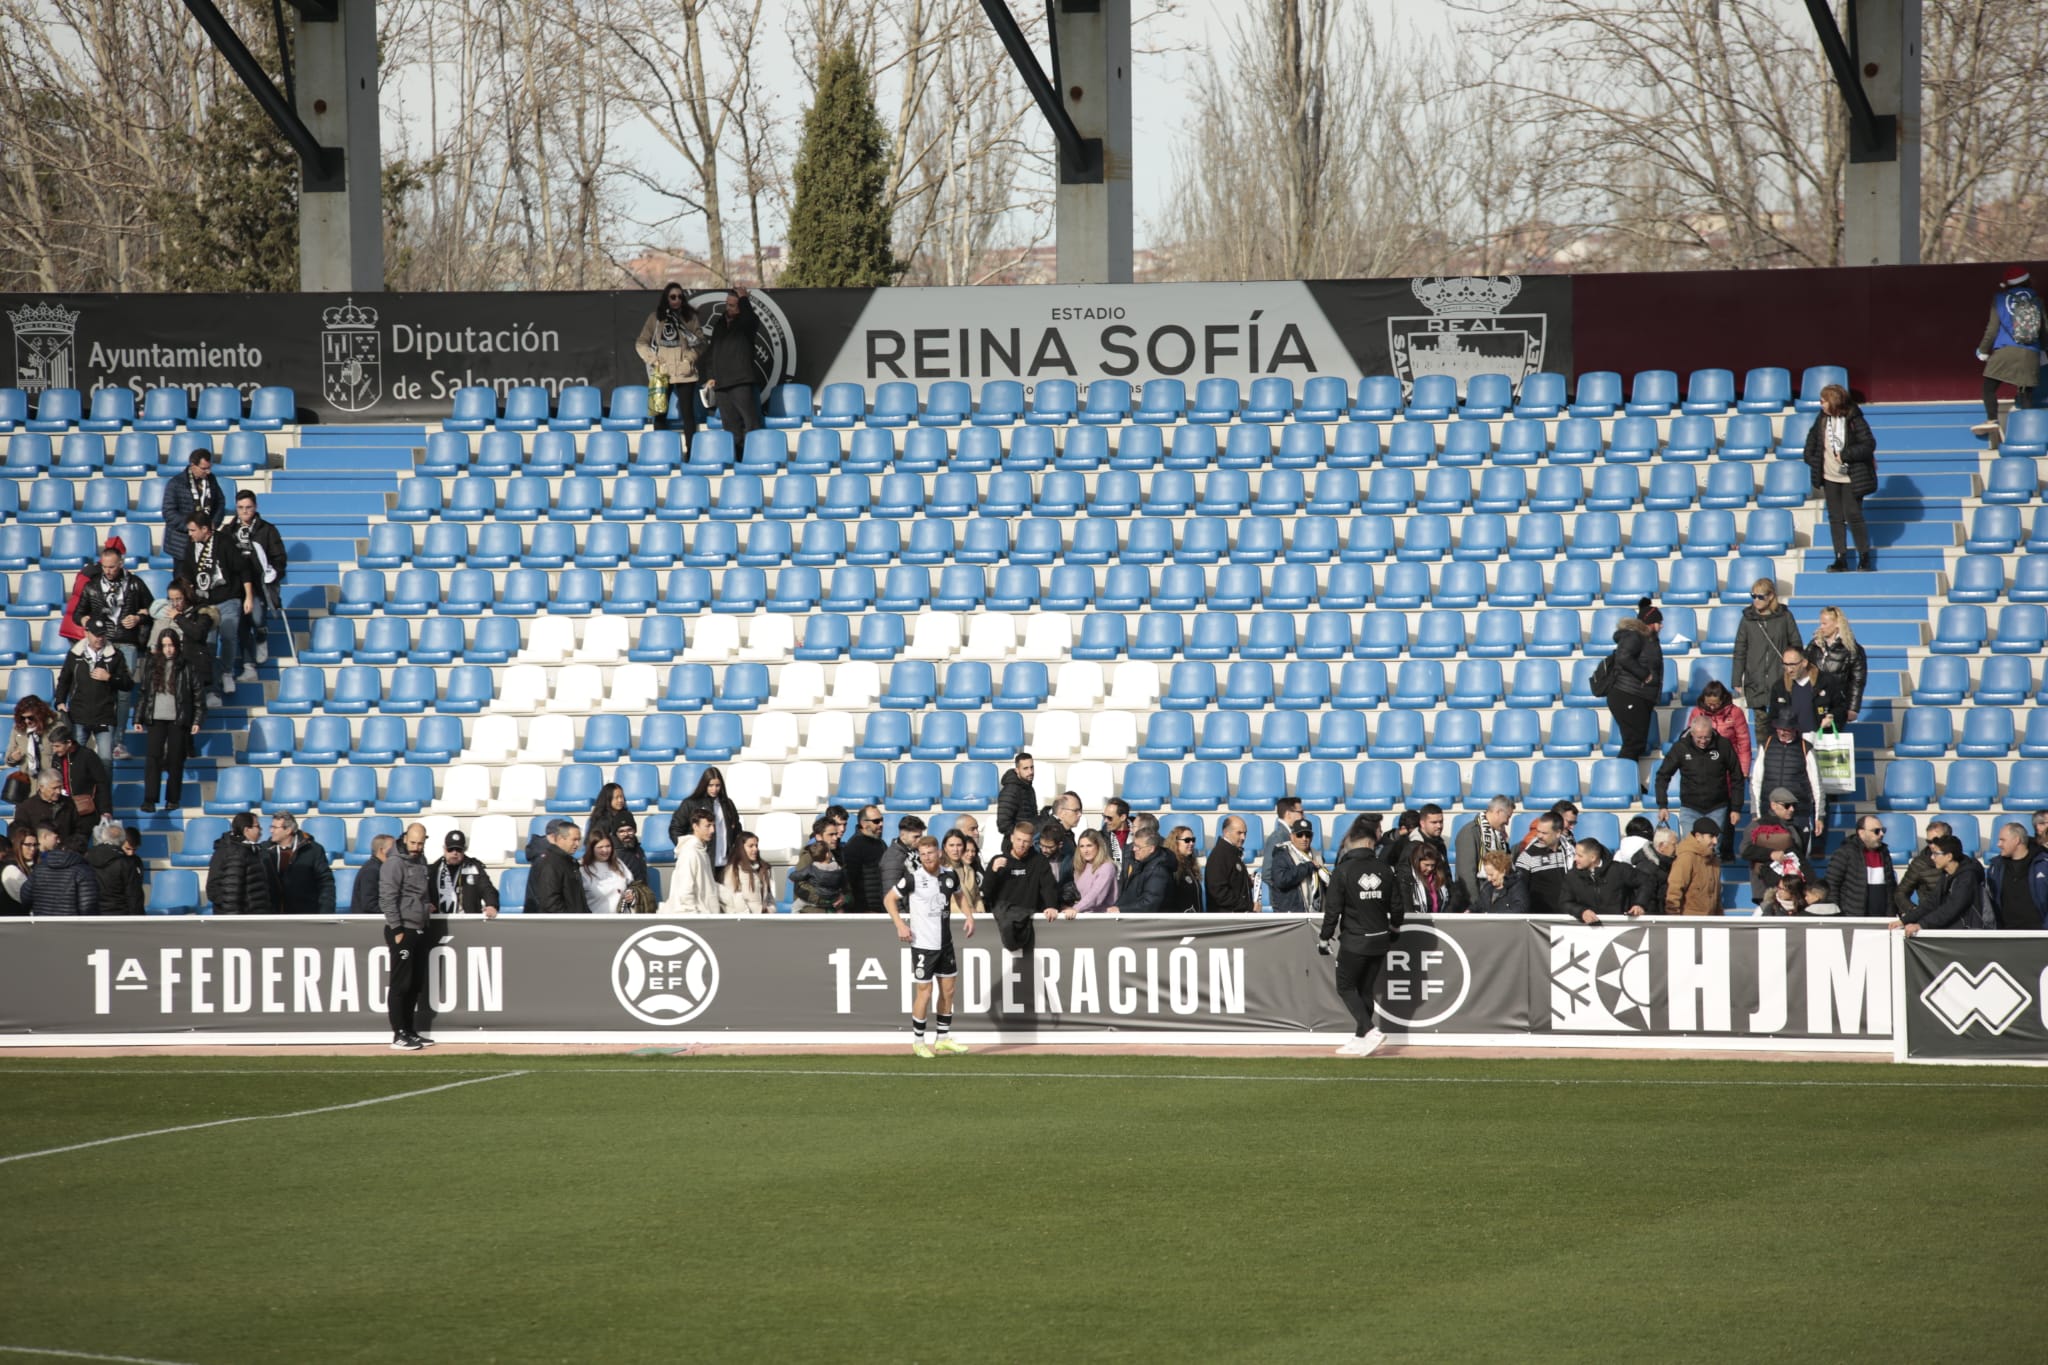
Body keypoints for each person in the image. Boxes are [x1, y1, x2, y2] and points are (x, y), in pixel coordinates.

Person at [1318, 815, 1401, 1057]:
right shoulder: (1385, 869)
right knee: (1365, 989)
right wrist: (1395, 929)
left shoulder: (1343, 871)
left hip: (1355, 940)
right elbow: (1397, 906)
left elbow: (1332, 910)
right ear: (1369, 843)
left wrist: (1324, 938)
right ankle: (1360, 1038)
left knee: (1345, 986)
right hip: (1380, 939)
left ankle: (1369, 1029)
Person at [883, 835, 973, 1057]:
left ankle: (942, 1038)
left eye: (930, 853)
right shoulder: (913, 878)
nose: (926, 858)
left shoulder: (950, 876)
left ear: (939, 853)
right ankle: (918, 1041)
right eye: (922, 854)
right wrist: (900, 925)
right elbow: (889, 899)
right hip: (923, 945)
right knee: (925, 992)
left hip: (946, 943)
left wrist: (969, 917)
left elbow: (960, 897)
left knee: (949, 991)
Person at [73, 538, 153, 745]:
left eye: (112, 567)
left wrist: (138, 618)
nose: (108, 571)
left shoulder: (134, 583)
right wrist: (86, 620)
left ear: (121, 564)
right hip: (102, 642)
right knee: (101, 690)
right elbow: (78, 613)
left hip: (127, 642)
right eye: (105, 567)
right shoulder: (92, 586)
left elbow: (152, 609)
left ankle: (119, 740)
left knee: (124, 694)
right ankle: (103, 739)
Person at [177, 514, 255, 701]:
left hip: (228, 599)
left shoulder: (225, 542)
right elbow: (186, 576)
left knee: (228, 636)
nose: (190, 534)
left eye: (193, 530)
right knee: (208, 645)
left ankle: (227, 672)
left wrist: (249, 597)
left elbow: (243, 569)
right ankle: (212, 689)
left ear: (205, 529)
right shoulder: (191, 547)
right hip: (204, 604)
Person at [1802, 384, 1879, 571]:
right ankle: (1840, 558)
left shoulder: (1854, 418)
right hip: (1830, 476)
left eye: (1823, 401)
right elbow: (1811, 443)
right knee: (1835, 517)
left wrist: (1846, 455)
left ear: (1833, 402)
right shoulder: (1821, 419)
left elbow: (1869, 444)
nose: (1820, 404)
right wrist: (1814, 461)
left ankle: (1864, 557)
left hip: (1852, 477)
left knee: (1854, 515)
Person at [133, 630, 205, 812]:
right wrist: (138, 717)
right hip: (155, 718)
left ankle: (173, 799)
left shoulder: (187, 666)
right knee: (153, 759)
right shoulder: (151, 665)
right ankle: (150, 799)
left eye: (171, 645)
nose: (168, 649)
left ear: (177, 646)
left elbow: (198, 695)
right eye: (164, 645)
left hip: (178, 719)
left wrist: (197, 719)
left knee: (175, 760)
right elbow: (144, 693)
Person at [379, 823, 437, 1050]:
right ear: (405, 839)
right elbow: (388, 898)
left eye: (421, 843)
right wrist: (397, 929)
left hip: (419, 925)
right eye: (413, 842)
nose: (416, 847)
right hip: (404, 928)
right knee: (400, 984)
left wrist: (425, 908)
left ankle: (410, 1029)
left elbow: (418, 893)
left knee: (414, 983)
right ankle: (398, 1033)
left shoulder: (420, 861)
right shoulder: (394, 863)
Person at [1973, 266, 2043, 440]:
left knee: (1989, 387)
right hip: (2031, 353)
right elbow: (2044, 329)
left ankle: (1992, 420)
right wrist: (2043, 350)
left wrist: (1982, 350)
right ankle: (2029, 433)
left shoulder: (1999, 299)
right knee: (2026, 392)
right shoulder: (2037, 300)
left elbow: (1992, 329)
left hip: (2006, 351)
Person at [54, 619, 132, 770]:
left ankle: (104, 794)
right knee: (75, 762)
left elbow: (127, 683)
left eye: (102, 635)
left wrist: (110, 677)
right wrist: (60, 701)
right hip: (79, 717)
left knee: (105, 762)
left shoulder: (116, 655)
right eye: (96, 635)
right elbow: (64, 680)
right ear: (86, 633)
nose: (100, 638)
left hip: (105, 716)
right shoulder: (74, 655)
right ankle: (76, 794)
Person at [1655, 714, 1743, 846]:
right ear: (1692, 733)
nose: (1703, 741)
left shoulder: (1723, 745)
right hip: (1690, 807)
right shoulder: (1680, 747)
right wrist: (1662, 805)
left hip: (1717, 807)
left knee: (1712, 850)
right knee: (1690, 849)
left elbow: (1737, 776)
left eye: (1706, 737)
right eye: (1699, 738)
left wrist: (1736, 808)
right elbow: (1662, 776)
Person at [635, 281, 707, 439]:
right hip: (663, 373)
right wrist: (654, 360)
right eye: (673, 297)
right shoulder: (655, 318)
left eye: (680, 297)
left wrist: (689, 360)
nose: (677, 300)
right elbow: (641, 343)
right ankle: (661, 453)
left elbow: (701, 344)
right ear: (666, 298)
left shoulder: (690, 318)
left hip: (685, 373)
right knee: (659, 414)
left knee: (688, 416)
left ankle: (691, 454)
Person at [1730, 577, 1802, 732]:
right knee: (1761, 723)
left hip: (1781, 676)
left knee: (1784, 720)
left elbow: (1796, 644)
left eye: (1760, 596)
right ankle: (1764, 753)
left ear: (1770, 596)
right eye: (1753, 596)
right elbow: (1740, 650)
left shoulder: (1785, 616)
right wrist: (1736, 679)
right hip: (1755, 677)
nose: (1756, 600)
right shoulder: (1747, 619)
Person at [228, 491, 287, 676]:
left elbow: (279, 558)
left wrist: (273, 572)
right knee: (242, 624)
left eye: (248, 507)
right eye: (240, 508)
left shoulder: (268, 530)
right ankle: (248, 665)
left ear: (255, 507)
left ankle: (261, 634)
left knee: (257, 618)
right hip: (236, 585)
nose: (244, 511)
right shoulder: (227, 530)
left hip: (259, 584)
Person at [701, 285, 764, 459]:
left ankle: (757, 458)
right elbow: (713, 351)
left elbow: (751, 319)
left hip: (741, 381)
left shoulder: (746, 323)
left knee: (751, 423)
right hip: (721, 384)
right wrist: (711, 376)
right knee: (730, 427)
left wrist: (744, 300)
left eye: (733, 305)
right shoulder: (720, 323)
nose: (729, 308)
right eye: (727, 304)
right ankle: (738, 460)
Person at [1604, 597, 1665, 777]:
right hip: (1628, 694)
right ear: (1650, 623)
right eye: (1658, 622)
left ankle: (1630, 782)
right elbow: (1623, 656)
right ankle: (1621, 781)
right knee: (1633, 743)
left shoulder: (1648, 638)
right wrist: (1644, 674)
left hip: (1638, 695)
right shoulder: (1634, 636)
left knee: (1636, 743)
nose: (1661, 626)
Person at [984, 819, 1060, 953]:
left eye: (1026, 841)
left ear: (1031, 843)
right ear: (1012, 838)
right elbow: (986, 891)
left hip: (1029, 918)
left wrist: (1051, 905)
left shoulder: (1039, 861)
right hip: (1003, 920)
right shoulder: (998, 860)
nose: (1021, 845)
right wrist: (993, 872)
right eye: (1018, 840)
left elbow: (1048, 886)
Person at [1891, 835, 1984, 934]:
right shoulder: (1946, 874)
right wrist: (1904, 920)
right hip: (1954, 930)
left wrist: (1921, 925)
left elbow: (1952, 908)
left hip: (1968, 933)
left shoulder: (1967, 877)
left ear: (1949, 856)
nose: (1932, 857)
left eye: (1935, 854)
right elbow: (1931, 902)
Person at [147, 578, 218, 707]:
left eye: (178, 599)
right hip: (172, 669)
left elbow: (198, 634)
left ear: (187, 596)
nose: (175, 604)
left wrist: (178, 617)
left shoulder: (202, 612)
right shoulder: (166, 614)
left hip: (193, 666)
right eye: (171, 599)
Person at [1751, 721, 1823, 847]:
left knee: (1799, 856)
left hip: (1798, 813)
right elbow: (1756, 781)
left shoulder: (1806, 747)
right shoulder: (1766, 745)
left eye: (1787, 729)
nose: (1782, 732)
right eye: (1780, 729)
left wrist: (1819, 816)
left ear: (1795, 730)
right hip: (1769, 813)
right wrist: (1755, 812)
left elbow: (1816, 785)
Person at [159, 447, 225, 567]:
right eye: (204, 468)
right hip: (182, 545)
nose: (208, 472)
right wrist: (192, 529)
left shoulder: (211, 480)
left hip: (206, 541)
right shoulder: (176, 483)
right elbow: (169, 512)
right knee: (183, 582)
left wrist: (214, 524)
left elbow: (220, 502)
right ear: (193, 465)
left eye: (209, 468)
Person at [45, 726, 110, 847]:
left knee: (79, 847)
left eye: (57, 746)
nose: (54, 750)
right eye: (53, 746)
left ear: (69, 743)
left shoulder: (87, 756)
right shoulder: (56, 758)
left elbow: (102, 783)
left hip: (85, 812)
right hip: (64, 810)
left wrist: (105, 810)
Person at [1806, 606, 1868, 732]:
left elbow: (1857, 681)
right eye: (1820, 623)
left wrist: (1853, 708)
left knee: (1830, 743)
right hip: (1814, 702)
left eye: (1824, 623)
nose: (1821, 627)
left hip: (1836, 705)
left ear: (1836, 624)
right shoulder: (1814, 646)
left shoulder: (1852, 650)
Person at [261, 811, 335, 915]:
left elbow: (326, 883)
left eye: (274, 827)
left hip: (305, 914)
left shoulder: (313, 850)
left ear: (288, 830)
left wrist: (326, 912)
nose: (271, 830)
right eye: (271, 827)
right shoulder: (264, 850)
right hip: (273, 915)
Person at [1560, 838, 1647, 925]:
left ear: (1593, 857)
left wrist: (1639, 904)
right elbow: (1565, 903)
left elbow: (1647, 882)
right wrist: (1581, 912)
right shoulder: (1571, 876)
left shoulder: (1619, 870)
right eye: (1575, 854)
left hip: (1621, 929)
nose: (1575, 858)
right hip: (1588, 931)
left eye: (1580, 856)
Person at [1824, 816, 1896, 919]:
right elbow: (1831, 885)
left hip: (1881, 920)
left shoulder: (1884, 853)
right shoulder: (1845, 853)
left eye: (1883, 830)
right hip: (1853, 919)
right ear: (1861, 833)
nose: (1881, 834)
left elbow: (1891, 887)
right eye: (1876, 831)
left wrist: (1891, 914)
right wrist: (1837, 915)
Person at [675, 767, 742, 875]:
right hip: (703, 862)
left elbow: (737, 829)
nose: (714, 789)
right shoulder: (690, 803)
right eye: (710, 785)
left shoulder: (728, 804)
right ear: (704, 785)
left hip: (725, 864)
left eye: (717, 785)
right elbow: (676, 829)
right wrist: (688, 849)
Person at [1982, 821, 2048, 930]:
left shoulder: (2043, 865)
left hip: (2039, 935)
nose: (1998, 844)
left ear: (2017, 840)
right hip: (2006, 936)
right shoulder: (1995, 868)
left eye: (2002, 840)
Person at [20, 824, 98, 915]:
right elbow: (88, 905)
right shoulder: (83, 871)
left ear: (63, 848)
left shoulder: (39, 869)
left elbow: (25, 897)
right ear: (86, 854)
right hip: (71, 926)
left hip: (42, 925)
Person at [1454, 795, 1516, 907]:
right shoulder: (1470, 833)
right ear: (1498, 812)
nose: (1507, 822)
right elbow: (1466, 874)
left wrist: (1505, 842)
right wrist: (1477, 904)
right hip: (1477, 902)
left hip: (1495, 899)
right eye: (1507, 817)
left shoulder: (1498, 835)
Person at [1686, 679, 1752, 785]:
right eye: (1708, 704)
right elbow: (1690, 739)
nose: (1711, 707)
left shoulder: (1735, 713)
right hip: (1703, 765)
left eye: (1715, 704)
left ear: (1723, 699)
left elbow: (1744, 743)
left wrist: (1744, 770)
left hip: (1728, 764)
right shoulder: (1697, 712)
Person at [205, 812, 270, 914]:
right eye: (257, 826)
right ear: (246, 830)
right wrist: (234, 919)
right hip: (239, 920)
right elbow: (216, 889)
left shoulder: (254, 850)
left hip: (254, 917)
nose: (261, 830)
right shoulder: (231, 852)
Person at [523, 819, 589, 914]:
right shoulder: (549, 863)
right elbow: (550, 901)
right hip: (561, 925)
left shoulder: (567, 861)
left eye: (579, 840)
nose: (577, 844)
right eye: (574, 840)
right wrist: (569, 921)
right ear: (560, 838)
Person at [663, 804, 719, 913]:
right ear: (695, 826)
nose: (712, 830)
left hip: (705, 916)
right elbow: (685, 889)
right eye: (708, 826)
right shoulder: (690, 853)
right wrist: (692, 915)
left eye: (713, 825)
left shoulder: (701, 851)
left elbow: (708, 885)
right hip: (693, 918)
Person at [1514, 814, 1572, 916]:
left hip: (1568, 917)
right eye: (1538, 831)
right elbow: (1519, 890)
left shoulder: (1571, 851)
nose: (1539, 836)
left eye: (1544, 833)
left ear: (1558, 833)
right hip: (1540, 920)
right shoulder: (1527, 856)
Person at [1892, 820, 1951, 921]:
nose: (1932, 845)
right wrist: (1915, 911)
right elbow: (1900, 893)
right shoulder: (1919, 863)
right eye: (1929, 842)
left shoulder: (1960, 861)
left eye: (1936, 840)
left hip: (1955, 920)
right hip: (1930, 921)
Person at [434, 829, 500, 918]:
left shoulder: (474, 868)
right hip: (440, 921)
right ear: (444, 849)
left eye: (458, 849)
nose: (454, 853)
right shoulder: (434, 869)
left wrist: (491, 905)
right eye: (450, 849)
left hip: (468, 922)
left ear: (464, 850)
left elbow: (487, 889)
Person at [1268, 819, 1328, 917]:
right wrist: (1308, 866)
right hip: (1291, 915)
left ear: (1312, 837)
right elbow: (1281, 880)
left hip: (1314, 913)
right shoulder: (1282, 855)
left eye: (1307, 835)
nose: (1304, 839)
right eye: (1299, 835)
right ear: (1292, 836)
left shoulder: (1317, 856)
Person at [85, 819, 144, 915]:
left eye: (134, 849)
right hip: (120, 913)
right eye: (127, 849)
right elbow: (134, 895)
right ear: (120, 842)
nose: (131, 853)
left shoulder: (87, 857)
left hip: (93, 912)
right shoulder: (126, 863)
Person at [789, 815, 846, 912]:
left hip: (834, 910)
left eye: (836, 834)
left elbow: (845, 884)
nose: (835, 838)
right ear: (819, 837)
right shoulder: (808, 856)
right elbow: (801, 887)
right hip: (813, 911)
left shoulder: (839, 855)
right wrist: (828, 901)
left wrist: (843, 898)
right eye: (831, 834)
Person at [1665, 819, 1722, 916]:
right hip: (1689, 922)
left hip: (1711, 922)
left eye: (1716, 837)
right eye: (1711, 836)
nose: (1715, 841)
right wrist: (1673, 918)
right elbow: (1674, 889)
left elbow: (1717, 896)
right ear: (1698, 836)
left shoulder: (1714, 860)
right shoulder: (1686, 857)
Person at [840, 805, 888, 914]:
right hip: (865, 911)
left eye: (881, 820)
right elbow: (850, 881)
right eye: (876, 821)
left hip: (881, 908)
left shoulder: (881, 843)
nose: (881, 824)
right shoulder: (854, 845)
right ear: (864, 823)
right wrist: (862, 909)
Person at [15, 772, 78, 853]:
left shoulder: (68, 803)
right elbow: (20, 834)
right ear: (42, 787)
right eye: (54, 788)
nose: (58, 791)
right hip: (38, 855)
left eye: (60, 787)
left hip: (66, 853)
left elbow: (78, 829)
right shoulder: (26, 807)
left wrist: (70, 847)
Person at [1204, 815, 1254, 914]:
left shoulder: (1232, 853)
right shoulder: (1219, 855)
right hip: (1227, 920)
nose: (1243, 837)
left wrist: (1248, 881)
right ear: (1226, 833)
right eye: (1239, 833)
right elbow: (1219, 892)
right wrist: (1247, 906)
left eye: (1245, 833)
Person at [1769, 647, 1822, 738]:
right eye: (1785, 665)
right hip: (1793, 745)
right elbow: (1773, 718)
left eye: (1792, 665)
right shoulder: (1779, 687)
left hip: (1820, 742)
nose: (1789, 670)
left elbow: (1839, 709)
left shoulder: (1824, 682)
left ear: (1804, 663)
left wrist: (1831, 718)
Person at [6, 695, 57, 790]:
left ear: (40, 715)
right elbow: (8, 759)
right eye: (23, 718)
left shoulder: (55, 727)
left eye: (30, 718)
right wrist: (13, 758)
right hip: (28, 784)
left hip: (50, 783)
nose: (27, 721)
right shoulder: (18, 729)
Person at [1402, 846, 1466, 916]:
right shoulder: (1407, 880)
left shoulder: (1441, 877)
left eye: (1432, 865)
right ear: (1417, 862)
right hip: (1417, 923)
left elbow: (1453, 899)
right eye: (1426, 865)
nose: (1430, 868)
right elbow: (1406, 906)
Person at [719, 830, 773, 914]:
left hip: (764, 919)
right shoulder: (733, 870)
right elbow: (733, 897)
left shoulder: (763, 868)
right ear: (741, 848)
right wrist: (747, 914)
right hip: (745, 920)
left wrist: (770, 910)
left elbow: (769, 896)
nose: (755, 849)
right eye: (751, 846)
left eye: (756, 845)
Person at [1389, 804, 1449, 877]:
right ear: (1422, 823)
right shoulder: (1411, 846)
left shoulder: (1440, 843)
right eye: (1434, 822)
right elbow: (1404, 877)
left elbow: (1446, 874)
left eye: (1441, 822)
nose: (1439, 826)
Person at [582, 832, 632, 915]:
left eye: (608, 846)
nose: (605, 850)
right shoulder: (582, 869)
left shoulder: (618, 863)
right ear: (591, 848)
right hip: (597, 922)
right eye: (600, 847)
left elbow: (631, 885)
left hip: (622, 921)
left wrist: (631, 895)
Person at [1070, 830, 1118, 914]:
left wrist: (1075, 909)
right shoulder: (1080, 867)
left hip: (1100, 919)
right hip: (1081, 916)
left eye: (1089, 845)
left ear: (1098, 846)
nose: (1085, 850)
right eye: (1082, 846)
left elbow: (1096, 895)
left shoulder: (1107, 867)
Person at [1471, 848, 1529, 914]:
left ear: (1502, 871)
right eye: (1487, 874)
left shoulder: (1517, 887)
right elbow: (1478, 905)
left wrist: (1495, 915)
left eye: (1491, 875)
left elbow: (1520, 909)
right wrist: (1469, 911)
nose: (1489, 879)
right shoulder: (1487, 887)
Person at [996, 751, 1038, 840]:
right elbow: (1003, 824)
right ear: (1017, 770)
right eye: (1025, 768)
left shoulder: (1029, 788)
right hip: (1015, 845)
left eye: (1032, 767)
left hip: (1029, 841)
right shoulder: (1010, 791)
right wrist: (1021, 837)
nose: (1030, 772)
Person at [350, 833, 395, 915]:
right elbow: (370, 905)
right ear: (381, 850)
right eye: (393, 849)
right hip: (369, 924)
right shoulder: (371, 871)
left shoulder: (380, 868)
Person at [1162, 826, 1203, 912]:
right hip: (1180, 923)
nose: (1191, 843)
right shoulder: (1170, 867)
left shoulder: (1191, 865)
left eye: (1193, 840)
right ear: (1175, 842)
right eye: (1187, 840)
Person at [942, 829, 983, 916]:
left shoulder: (970, 870)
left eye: (959, 845)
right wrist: (968, 911)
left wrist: (981, 914)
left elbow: (977, 896)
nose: (955, 849)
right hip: (951, 919)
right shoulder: (940, 871)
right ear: (945, 848)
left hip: (974, 920)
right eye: (951, 845)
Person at [0, 827, 36, 916]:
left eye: (35, 845)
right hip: (14, 921)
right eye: (28, 845)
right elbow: (27, 898)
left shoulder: (33, 866)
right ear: (18, 845)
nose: (32, 849)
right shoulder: (11, 869)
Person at [1095, 798, 1133, 875]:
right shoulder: (1099, 837)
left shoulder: (1140, 834)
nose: (1105, 821)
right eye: (1104, 816)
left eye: (1109, 818)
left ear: (1122, 817)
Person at [588, 783, 632, 849]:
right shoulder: (602, 821)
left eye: (621, 796)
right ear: (608, 799)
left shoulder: (627, 816)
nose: (620, 800)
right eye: (616, 797)